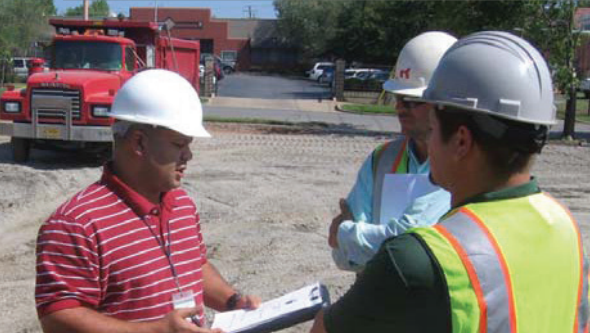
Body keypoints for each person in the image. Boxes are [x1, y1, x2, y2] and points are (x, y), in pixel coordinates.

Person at [312, 31, 589, 332]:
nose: (426, 144)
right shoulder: (566, 228)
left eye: (432, 128)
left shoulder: (419, 258)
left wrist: (352, 235)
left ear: (460, 141)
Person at [35, 69, 260, 333]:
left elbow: (194, 266)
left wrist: (232, 302)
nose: (188, 155)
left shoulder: (182, 204)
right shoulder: (75, 225)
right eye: (179, 144)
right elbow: (58, 318)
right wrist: (156, 330)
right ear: (140, 143)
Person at [330, 31, 454, 272]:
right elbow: (342, 255)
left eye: (411, 100)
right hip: (379, 303)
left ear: (445, 104)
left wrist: (349, 232)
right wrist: (355, 242)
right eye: (397, 98)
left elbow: (412, 244)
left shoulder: (463, 167)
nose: (399, 108)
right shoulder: (381, 160)